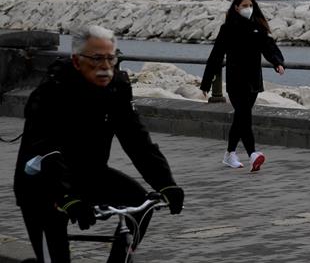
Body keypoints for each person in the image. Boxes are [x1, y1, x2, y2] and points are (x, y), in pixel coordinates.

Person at [13, 25, 184, 263]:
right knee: (55, 253)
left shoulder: (117, 89)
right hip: (43, 182)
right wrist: (67, 197)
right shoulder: (52, 91)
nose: (105, 66)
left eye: (110, 58)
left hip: (90, 174)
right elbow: (45, 148)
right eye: (96, 59)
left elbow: (137, 140)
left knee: (140, 203)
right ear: (76, 61)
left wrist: (166, 183)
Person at [201, 0, 285, 172]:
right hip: (235, 81)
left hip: (254, 81)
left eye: (250, 5)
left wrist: (277, 63)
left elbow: (269, 48)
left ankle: (230, 154)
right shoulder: (228, 28)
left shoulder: (258, 27)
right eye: (245, 6)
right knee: (244, 115)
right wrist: (206, 82)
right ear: (236, 7)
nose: (248, 9)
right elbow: (216, 56)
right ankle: (252, 153)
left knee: (240, 118)